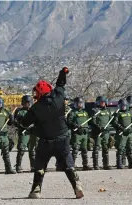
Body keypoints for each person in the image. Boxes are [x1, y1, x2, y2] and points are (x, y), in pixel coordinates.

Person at [21, 67, 84, 199]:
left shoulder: (36, 108)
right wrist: (63, 73)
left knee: (40, 164)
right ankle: (77, 185)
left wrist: (17, 119)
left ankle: (36, 190)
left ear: (40, 93)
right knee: (68, 164)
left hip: (46, 141)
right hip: (63, 138)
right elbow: (61, 84)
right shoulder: (59, 98)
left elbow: (25, 123)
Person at [67, 97, 92, 170]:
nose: (80, 105)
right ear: (75, 104)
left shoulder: (85, 112)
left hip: (85, 134)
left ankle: (85, 165)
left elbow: (88, 122)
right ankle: (71, 165)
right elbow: (69, 122)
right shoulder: (73, 112)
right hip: (77, 134)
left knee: (84, 150)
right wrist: (76, 126)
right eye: (78, 103)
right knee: (75, 150)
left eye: (81, 103)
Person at [112, 99, 132, 169]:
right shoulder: (118, 113)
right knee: (121, 148)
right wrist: (121, 128)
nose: (123, 107)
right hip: (122, 134)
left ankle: (131, 163)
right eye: (122, 106)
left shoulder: (129, 113)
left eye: (124, 106)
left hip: (129, 133)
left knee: (129, 148)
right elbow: (114, 122)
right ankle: (119, 163)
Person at [14, 95, 37, 173]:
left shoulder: (34, 111)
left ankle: (33, 166)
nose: (28, 104)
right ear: (23, 103)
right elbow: (16, 122)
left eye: (29, 103)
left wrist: (34, 125)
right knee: (21, 149)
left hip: (32, 132)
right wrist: (22, 126)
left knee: (32, 149)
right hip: (24, 133)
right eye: (26, 103)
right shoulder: (19, 111)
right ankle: (18, 166)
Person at [90, 96, 112, 170]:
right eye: (101, 102)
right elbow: (93, 121)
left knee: (106, 148)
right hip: (98, 132)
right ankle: (95, 165)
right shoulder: (95, 110)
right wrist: (99, 127)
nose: (102, 103)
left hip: (106, 132)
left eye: (103, 102)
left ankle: (106, 165)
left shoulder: (108, 111)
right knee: (96, 148)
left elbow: (110, 120)